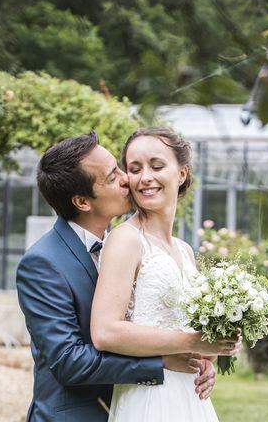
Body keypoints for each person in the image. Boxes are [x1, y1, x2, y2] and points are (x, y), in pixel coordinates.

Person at [16, 132, 233, 422]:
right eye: (114, 175)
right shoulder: (43, 263)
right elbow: (69, 362)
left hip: (175, 399)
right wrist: (163, 362)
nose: (127, 180)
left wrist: (203, 361)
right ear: (82, 201)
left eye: (120, 169)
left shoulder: (167, 247)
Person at [91, 127, 236, 421]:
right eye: (135, 169)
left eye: (156, 166)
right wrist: (193, 343)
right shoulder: (126, 239)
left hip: (190, 398)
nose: (145, 177)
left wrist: (210, 357)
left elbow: (185, 329)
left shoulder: (184, 250)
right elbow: (105, 332)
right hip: (148, 399)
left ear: (181, 173)